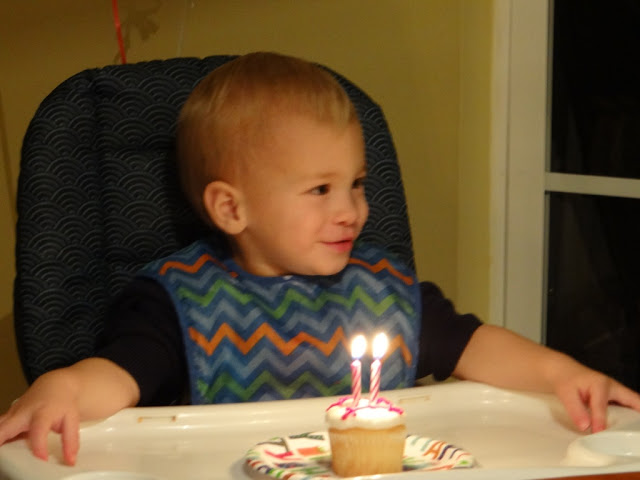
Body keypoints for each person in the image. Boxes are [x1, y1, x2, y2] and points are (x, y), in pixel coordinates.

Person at [1, 52, 639, 467]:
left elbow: (477, 345)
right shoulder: (180, 304)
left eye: (356, 183)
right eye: (320, 190)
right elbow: (117, 376)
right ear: (231, 208)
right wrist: (63, 388)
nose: (351, 211)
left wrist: (561, 373)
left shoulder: (382, 289)